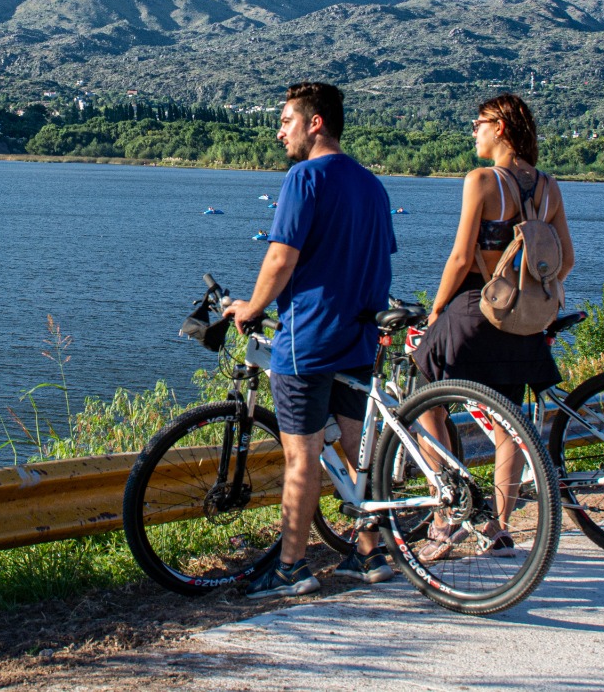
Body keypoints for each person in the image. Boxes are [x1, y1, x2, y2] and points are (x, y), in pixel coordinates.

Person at [222, 82, 398, 598]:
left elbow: (281, 257)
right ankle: (370, 552)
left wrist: (250, 309)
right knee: (353, 449)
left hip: (309, 339)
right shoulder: (372, 185)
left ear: (314, 122)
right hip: (360, 337)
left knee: (301, 457)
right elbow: (381, 258)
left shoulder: (305, 177)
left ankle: (292, 568)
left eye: (285, 121)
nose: (280, 133)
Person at [411, 92, 575, 560]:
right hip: (522, 321)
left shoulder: (482, 180)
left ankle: (448, 514)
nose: (474, 130)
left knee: (426, 400)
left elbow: (463, 257)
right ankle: (500, 528)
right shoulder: (548, 187)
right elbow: (566, 259)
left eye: (479, 122)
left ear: (500, 127)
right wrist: (527, 295)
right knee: (509, 423)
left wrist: (438, 310)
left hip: (476, 309)